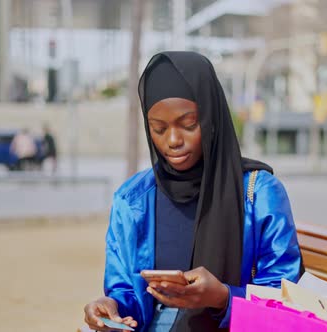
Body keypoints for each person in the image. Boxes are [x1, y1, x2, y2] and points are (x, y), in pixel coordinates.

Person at [83, 52, 303, 332]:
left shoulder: (258, 194)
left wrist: (223, 298)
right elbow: (126, 292)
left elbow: (285, 296)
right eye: (158, 128)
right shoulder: (133, 200)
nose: (173, 141)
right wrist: (111, 308)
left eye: (188, 125)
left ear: (211, 118)